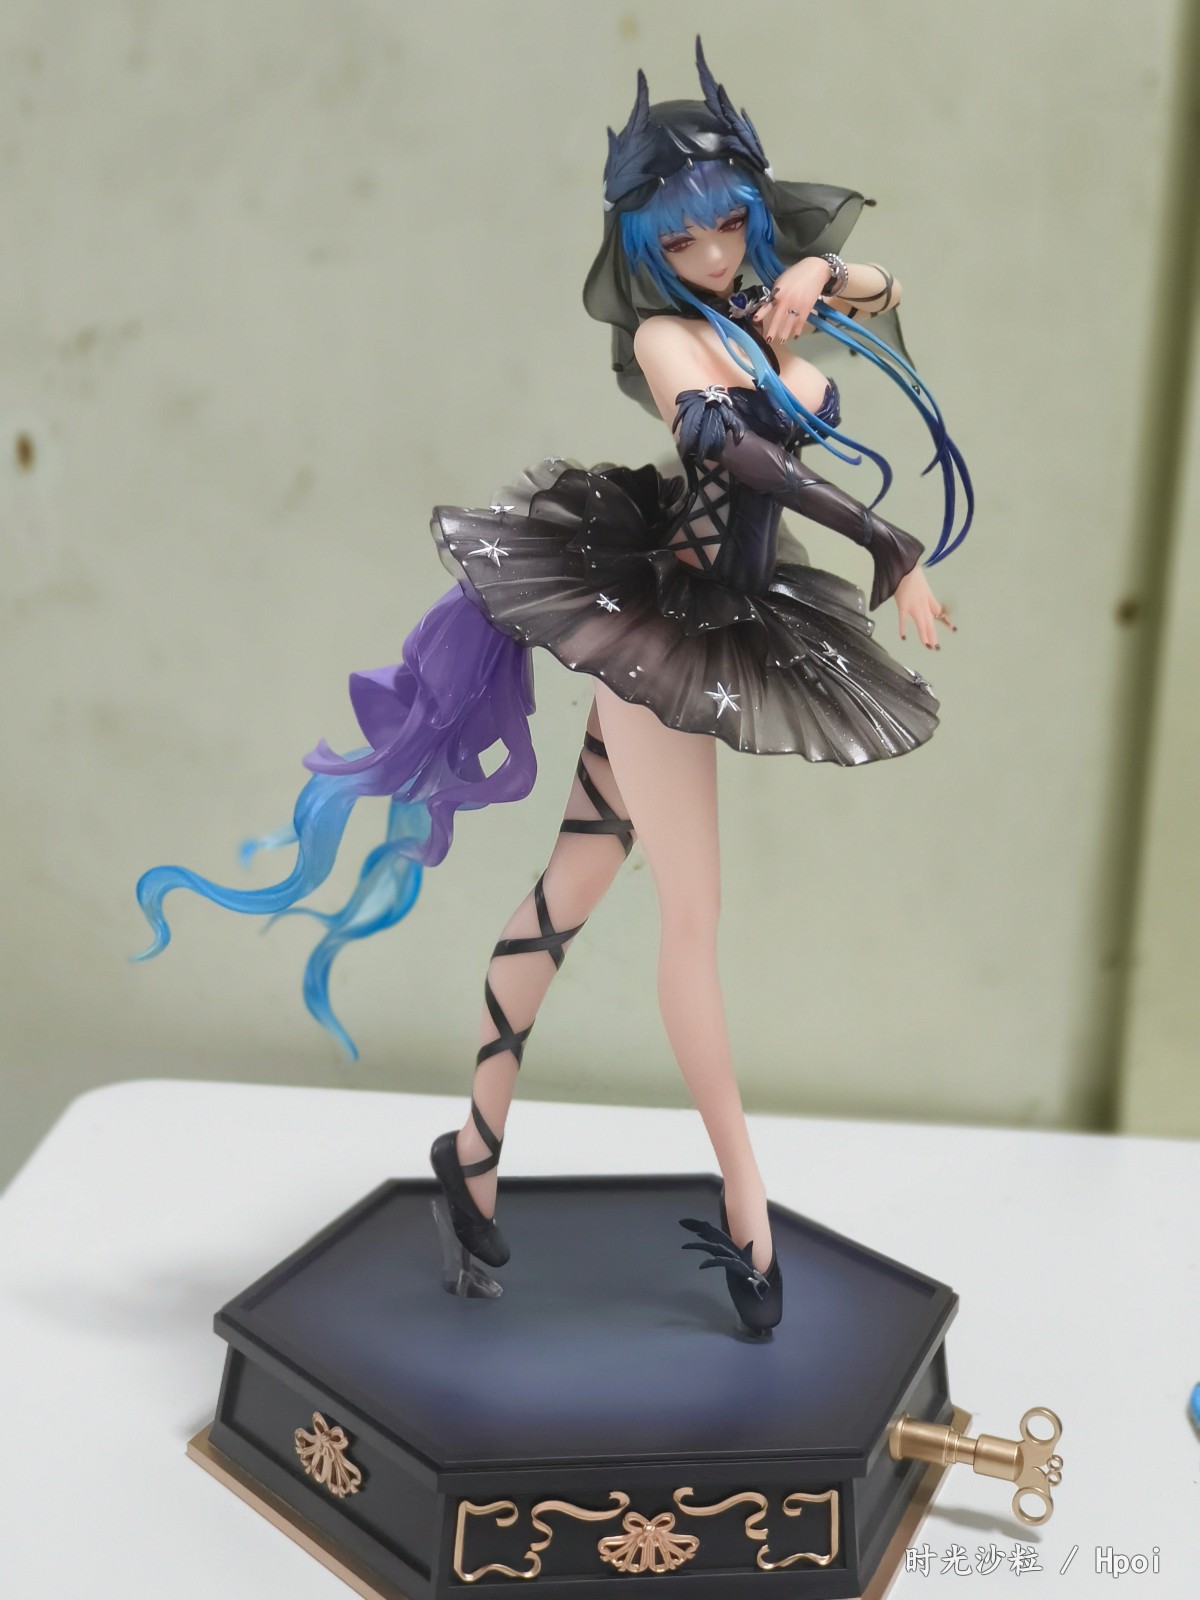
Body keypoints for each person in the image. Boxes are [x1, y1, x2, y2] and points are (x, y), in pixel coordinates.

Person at [136, 41, 969, 1337]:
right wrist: (887, 540)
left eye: (727, 227)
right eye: (679, 238)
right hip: (664, 638)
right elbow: (741, 459)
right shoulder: (668, 337)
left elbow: (886, 285)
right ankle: (749, 1210)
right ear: (642, 247)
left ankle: (470, 1153)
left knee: (567, 892)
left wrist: (813, 275)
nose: (709, 253)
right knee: (690, 921)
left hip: (718, 619)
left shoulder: (754, 305)